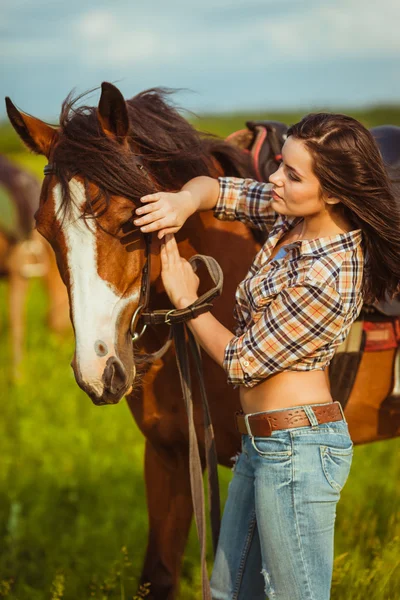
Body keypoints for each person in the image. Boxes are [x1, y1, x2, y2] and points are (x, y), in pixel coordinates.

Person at [133, 113, 400, 600]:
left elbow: (241, 362)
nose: (275, 179)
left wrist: (187, 301)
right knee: (227, 592)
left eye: (293, 176)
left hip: (298, 447)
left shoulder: (331, 269)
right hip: (262, 444)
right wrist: (182, 200)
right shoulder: (290, 217)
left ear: (335, 192)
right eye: (279, 165)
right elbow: (220, 190)